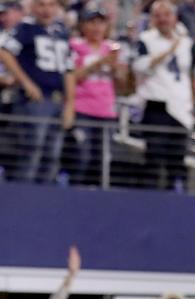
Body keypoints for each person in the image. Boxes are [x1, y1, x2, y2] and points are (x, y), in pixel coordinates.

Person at [132, 0, 195, 190]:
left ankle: (174, 198)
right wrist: (169, 49)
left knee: (177, 161)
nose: (163, 19)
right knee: (154, 159)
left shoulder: (185, 41)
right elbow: (140, 66)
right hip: (156, 105)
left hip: (181, 108)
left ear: (175, 17)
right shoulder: (146, 38)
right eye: (158, 16)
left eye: (167, 15)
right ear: (152, 19)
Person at [0, 0, 75, 183]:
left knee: (52, 155)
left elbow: (69, 69)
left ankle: (44, 199)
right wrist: (26, 83)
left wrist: (70, 103)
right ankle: (24, 197)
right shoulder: (25, 28)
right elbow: (5, 52)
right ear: (33, 7)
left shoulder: (61, 31)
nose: (46, 10)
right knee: (32, 150)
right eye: (41, 4)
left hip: (57, 99)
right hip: (34, 100)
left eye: (51, 5)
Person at [68, 8, 119, 185]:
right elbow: (72, 76)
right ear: (83, 25)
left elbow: (124, 86)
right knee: (82, 158)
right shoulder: (75, 45)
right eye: (92, 22)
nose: (97, 27)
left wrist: (118, 69)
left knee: (103, 162)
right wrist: (99, 63)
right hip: (83, 109)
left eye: (101, 23)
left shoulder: (111, 49)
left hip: (107, 112)